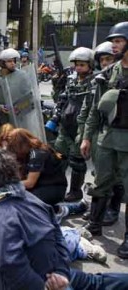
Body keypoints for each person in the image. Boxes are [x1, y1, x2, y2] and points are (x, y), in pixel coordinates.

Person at [0, 147, 128, 290]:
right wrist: (61, 273)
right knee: (95, 282)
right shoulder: (31, 199)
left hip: (32, 281)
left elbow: (13, 268)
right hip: (52, 270)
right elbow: (57, 237)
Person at [81, 21, 128, 259]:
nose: (114, 45)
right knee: (101, 181)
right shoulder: (109, 72)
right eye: (113, 41)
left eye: (119, 41)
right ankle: (95, 224)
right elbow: (94, 109)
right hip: (107, 137)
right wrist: (87, 136)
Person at [80, 41, 123, 227]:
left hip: (122, 133)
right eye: (102, 60)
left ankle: (113, 209)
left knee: (119, 178)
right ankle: (96, 219)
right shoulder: (102, 78)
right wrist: (86, 136)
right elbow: (93, 110)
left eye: (109, 59)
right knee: (101, 176)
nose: (105, 63)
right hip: (104, 133)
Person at [53, 47, 95, 202]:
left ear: (90, 65)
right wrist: (57, 84)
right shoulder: (70, 79)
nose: (78, 68)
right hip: (65, 125)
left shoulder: (94, 82)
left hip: (80, 127)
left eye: (82, 65)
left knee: (77, 162)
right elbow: (60, 98)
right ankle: (57, 186)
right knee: (59, 158)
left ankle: (75, 191)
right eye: (76, 64)